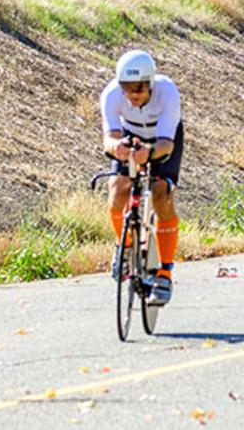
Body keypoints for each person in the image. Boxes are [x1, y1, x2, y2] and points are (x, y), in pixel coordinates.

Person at [100, 50, 183, 306]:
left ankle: (165, 273)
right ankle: (123, 247)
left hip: (162, 138)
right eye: (127, 87)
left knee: (161, 194)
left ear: (150, 83)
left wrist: (150, 153)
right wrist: (117, 148)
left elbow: (167, 144)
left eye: (139, 88)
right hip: (130, 134)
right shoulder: (112, 94)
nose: (133, 94)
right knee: (116, 191)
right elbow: (109, 138)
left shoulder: (167, 92)